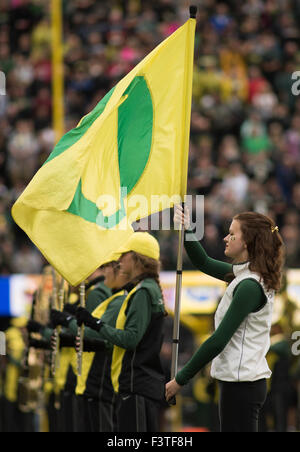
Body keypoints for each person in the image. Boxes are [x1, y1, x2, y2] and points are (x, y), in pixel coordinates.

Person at [165, 206, 285, 432]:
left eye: (232, 234)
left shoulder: (249, 285)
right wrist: (186, 228)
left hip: (243, 385)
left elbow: (218, 340)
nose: (225, 238)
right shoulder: (246, 275)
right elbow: (203, 262)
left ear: (247, 242)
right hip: (241, 382)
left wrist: (180, 379)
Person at [76, 232, 167, 433]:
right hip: (137, 383)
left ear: (137, 258)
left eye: (123, 254)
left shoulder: (143, 291)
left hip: (136, 384)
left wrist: (95, 324)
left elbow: (131, 338)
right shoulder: (147, 288)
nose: (118, 260)